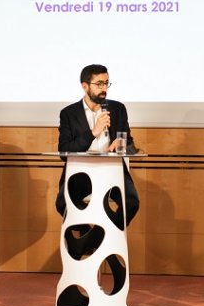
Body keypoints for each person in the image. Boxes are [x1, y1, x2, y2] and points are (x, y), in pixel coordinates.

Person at [55, 64, 140, 247]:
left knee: (131, 202)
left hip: (112, 173)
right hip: (80, 175)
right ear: (85, 86)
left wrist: (123, 146)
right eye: (99, 84)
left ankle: (94, 240)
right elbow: (64, 151)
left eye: (107, 84)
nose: (104, 89)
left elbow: (132, 146)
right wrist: (93, 132)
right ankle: (89, 243)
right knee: (65, 204)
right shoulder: (69, 114)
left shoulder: (117, 109)